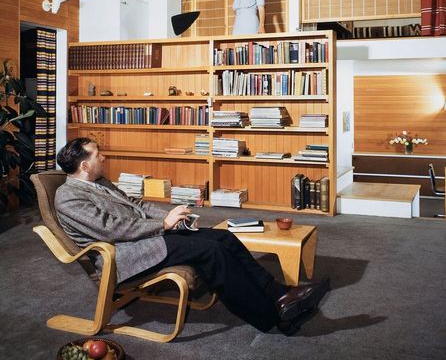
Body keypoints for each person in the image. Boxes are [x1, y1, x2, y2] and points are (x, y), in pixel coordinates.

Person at [55, 138, 330, 335]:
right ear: (84, 165)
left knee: (223, 238)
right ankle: (272, 316)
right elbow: (111, 230)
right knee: (211, 253)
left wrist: (172, 213)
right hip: (123, 254)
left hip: (144, 237)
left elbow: (136, 205)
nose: (103, 157)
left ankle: (279, 293)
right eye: (96, 154)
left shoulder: (99, 181)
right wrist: (163, 224)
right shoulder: (69, 197)